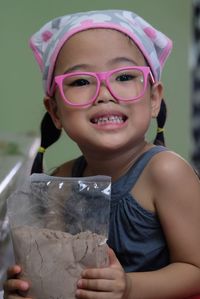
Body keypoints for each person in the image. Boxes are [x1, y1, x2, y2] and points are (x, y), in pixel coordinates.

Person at [3, 9, 200, 299]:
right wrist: (28, 285)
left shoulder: (166, 172)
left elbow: (195, 269)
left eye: (123, 76)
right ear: (55, 111)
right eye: (81, 82)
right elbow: (58, 276)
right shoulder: (60, 183)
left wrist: (129, 287)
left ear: (154, 98)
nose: (105, 93)